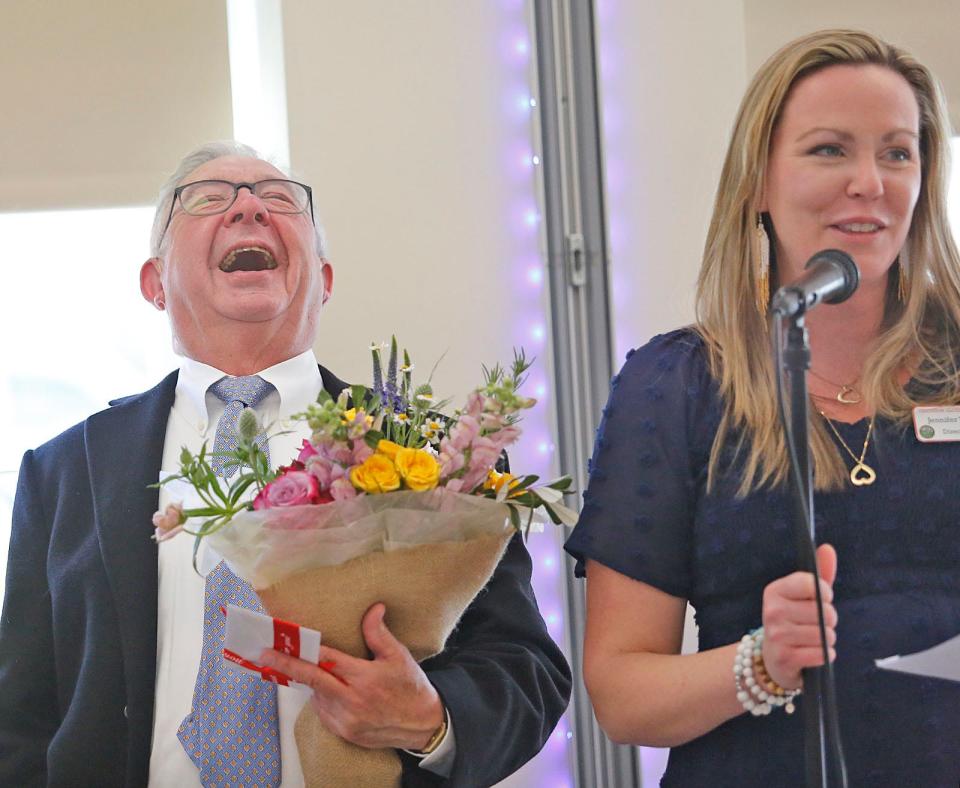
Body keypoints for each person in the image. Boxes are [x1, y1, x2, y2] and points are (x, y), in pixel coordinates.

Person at [0, 141, 571, 787]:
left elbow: (527, 668)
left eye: (279, 198)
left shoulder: (437, 450)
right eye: (208, 197)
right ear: (154, 283)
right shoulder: (61, 472)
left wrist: (432, 720)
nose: (248, 208)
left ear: (323, 280)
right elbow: (20, 714)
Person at [565, 29, 960, 785]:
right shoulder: (674, 385)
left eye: (897, 152)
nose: (870, 182)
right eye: (828, 149)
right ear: (757, 181)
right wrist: (762, 663)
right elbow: (620, 697)